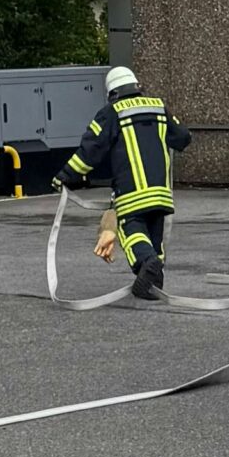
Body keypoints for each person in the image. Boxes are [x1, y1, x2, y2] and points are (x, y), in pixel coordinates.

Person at [53, 65, 188, 300]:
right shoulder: (158, 106)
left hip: (132, 192)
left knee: (131, 230)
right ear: (136, 87)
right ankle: (153, 283)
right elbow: (183, 138)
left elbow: (90, 151)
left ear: (112, 94)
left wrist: (64, 177)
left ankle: (147, 263)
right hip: (161, 192)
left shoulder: (111, 112)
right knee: (153, 235)